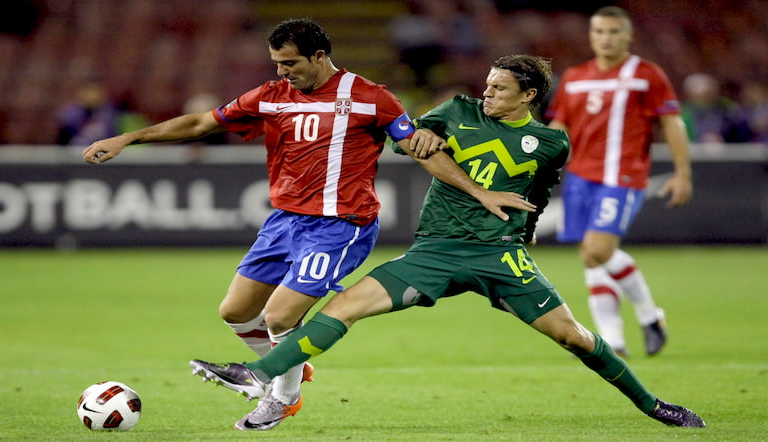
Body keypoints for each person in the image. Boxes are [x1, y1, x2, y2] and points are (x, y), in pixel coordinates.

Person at [189, 54, 706, 430]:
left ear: (528, 96)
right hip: (433, 252)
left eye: (500, 89)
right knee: (343, 305)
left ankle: (652, 405)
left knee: (572, 336)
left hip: (501, 257)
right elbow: (405, 136)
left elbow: (536, 197)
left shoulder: (552, 143)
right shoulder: (455, 110)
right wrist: (419, 142)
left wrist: (518, 238)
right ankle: (259, 375)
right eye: (487, 85)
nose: (487, 94)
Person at [83, 18, 507, 431]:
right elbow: (201, 122)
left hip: (342, 224)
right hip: (285, 221)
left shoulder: (370, 97)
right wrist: (129, 138)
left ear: (319, 57)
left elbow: (420, 149)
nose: (282, 73)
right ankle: (292, 363)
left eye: (290, 64)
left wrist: (479, 192)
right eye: (277, 65)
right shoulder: (272, 95)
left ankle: (281, 399)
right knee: (235, 311)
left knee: (280, 315)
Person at [545, 6, 693, 357]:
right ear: (591, 36)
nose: (605, 38)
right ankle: (614, 341)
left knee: (598, 249)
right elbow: (559, 126)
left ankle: (649, 314)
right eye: (599, 32)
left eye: (613, 32)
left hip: (621, 175)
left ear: (628, 36)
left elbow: (672, 122)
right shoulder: (576, 76)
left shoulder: (647, 75)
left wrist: (683, 173)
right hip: (580, 176)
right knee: (591, 257)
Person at [680, 72, 753, 144]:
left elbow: (742, 133)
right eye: (703, 95)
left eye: (709, 94)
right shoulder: (683, 113)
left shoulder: (727, 108)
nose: (706, 98)